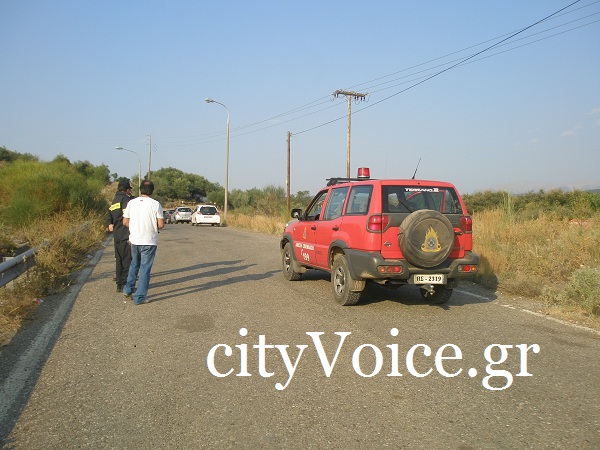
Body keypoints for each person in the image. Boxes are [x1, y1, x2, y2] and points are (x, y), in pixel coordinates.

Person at [122, 180, 164, 305]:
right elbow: (161, 224)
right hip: (149, 240)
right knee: (145, 268)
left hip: (134, 239)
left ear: (140, 190)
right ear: (152, 190)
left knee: (134, 264)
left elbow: (124, 222)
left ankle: (128, 289)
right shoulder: (156, 204)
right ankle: (139, 297)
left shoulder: (131, 203)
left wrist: (134, 226)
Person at [106, 179, 134, 292]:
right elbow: (128, 216)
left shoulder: (114, 200)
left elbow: (109, 215)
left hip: (116, 234)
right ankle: (125, 284)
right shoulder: (126, 200)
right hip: (125, 233)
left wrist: (109, 223)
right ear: (127, 190)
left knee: (119, 260)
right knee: (127, 260)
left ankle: (119, 284)